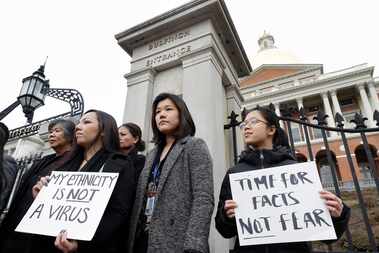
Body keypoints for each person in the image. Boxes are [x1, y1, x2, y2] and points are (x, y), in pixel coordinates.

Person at [215, 106, 351, 253]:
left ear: (271, 130)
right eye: (243, 124)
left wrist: (338, 216)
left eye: (253, 121)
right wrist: (226, 216)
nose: (246, 127)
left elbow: (327, 237)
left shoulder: (297, 172)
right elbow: (224, 231)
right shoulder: (235, 174)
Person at [34, 110, 137, 253]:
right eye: (79, 123)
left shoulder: (119, 163)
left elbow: (118, 212)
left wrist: (81, 246)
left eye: (87, 122)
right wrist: (42, 195)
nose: (78, 127)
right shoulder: (68, 163)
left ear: (103, 130)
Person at [127, 93, 214, 253]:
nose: (161, 115)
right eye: (157, 112)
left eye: (168, 109)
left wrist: (194, 244)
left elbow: (203, 198)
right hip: (142, 239)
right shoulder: (151, 154)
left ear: (181, 113)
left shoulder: (194, 146)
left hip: (177, 240)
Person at [0, 119, 75, 253]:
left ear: (71, 136)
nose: (51, 135)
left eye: (57, 131)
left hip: (39, 232)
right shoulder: (44, 160)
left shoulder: (76, 162)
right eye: (50, 132)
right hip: (17, 220)